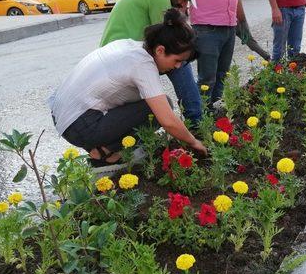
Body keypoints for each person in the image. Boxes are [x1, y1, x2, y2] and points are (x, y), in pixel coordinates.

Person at [49, 9, 207, 172]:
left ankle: (104, 149)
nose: (177, 66)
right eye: (177, 60)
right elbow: (167, 120)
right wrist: (193, 142)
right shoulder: (143, 65)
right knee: (159, 107)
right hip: (79, 125)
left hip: (64, 116)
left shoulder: (131, 46)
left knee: (148, 105)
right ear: (160, 50)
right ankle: (106, 154)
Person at [99, 0, 203, 123]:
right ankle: (196, 121)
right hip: (123, 57)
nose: (184, 4)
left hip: (114, 55)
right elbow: (170, 42)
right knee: (179, 60)